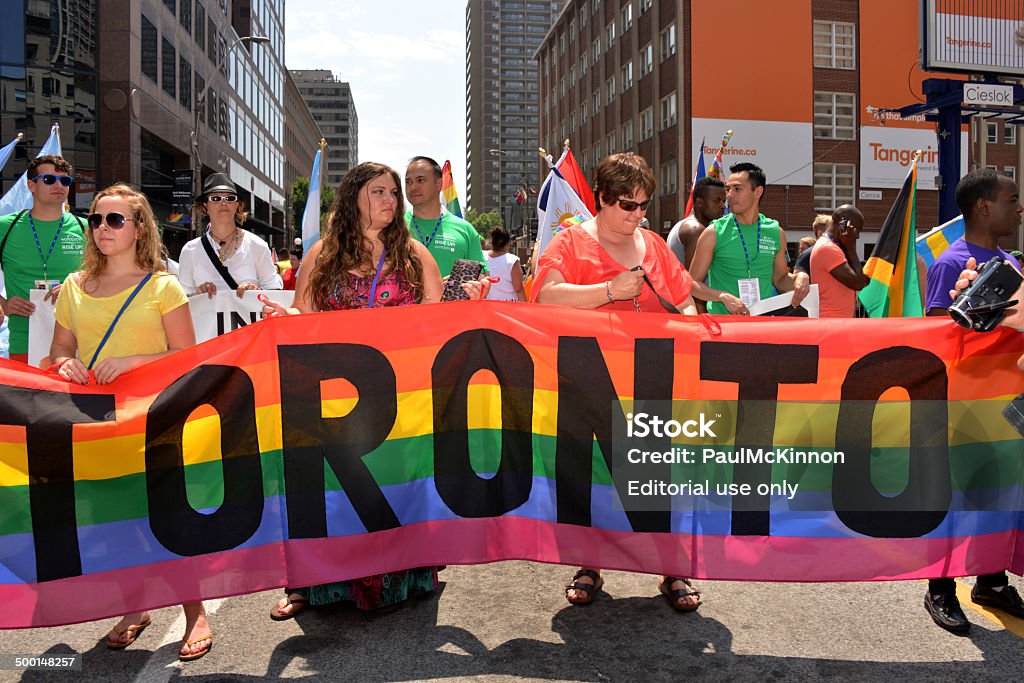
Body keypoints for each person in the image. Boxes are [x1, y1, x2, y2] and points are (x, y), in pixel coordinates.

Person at [261, 161, 443, 619]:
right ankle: (315, 584)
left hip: (396, 398)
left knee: (392, 486)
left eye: (394, 193)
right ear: (353, 198)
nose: (390, 200)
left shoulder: (414, 254)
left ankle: (404, 575)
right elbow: (302, 311)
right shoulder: (323, 253)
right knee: (332, 491)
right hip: (334, 396)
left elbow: (438, 317)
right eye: (379, 191)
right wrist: (288, 321)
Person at [48, 183, 213, 661]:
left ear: (139, 228)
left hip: (154, 413)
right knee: (114, 516)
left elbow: (187, 357)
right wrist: (63, 364)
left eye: (114, 220)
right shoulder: (75, 287)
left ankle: (194, 611)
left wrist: (135, 361)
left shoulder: (163, 286)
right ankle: (134, 607)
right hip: (96, 418)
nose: (102, 228)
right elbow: (59, 350)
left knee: (168, 514)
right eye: (96, 219)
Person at [531, 152, 701, 612]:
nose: (637, 214)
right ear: (602, 200)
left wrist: (687, 324)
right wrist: (609, 291)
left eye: (644, 205)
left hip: (652, 381)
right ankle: (589, 564)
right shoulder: (569, 243)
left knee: (660, 477)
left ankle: (671, 568)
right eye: (627, 204)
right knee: (592, 477)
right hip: (590, 382)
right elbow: (545, 297)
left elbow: (684, 299)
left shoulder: (654, 244)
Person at [920, 169, 1024, 634]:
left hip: (1001, 405)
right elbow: (937, 337)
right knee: (954, 498)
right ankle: (940, 589)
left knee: (996, 494)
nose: (1019, 207)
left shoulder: (1010, 263)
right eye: (1011, 199)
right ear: (983, 206)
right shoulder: (950, 262)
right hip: (961, 404)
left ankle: (990, 581)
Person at [688, 162, 810, 315]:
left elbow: (780, 280)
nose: (729, 195)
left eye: (737, 189)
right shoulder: (713, 232)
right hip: (724, 325)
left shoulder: (775, 232)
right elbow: (691, 283)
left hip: (761, 324)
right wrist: (721, 296)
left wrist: (800, 278)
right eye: (728, 189)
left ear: (757, 192)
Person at [0, 154, 86, 362]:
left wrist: (79, 282)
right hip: (24, 341)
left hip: (78, 342)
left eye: (65, 181)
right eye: (49, 180)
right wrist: (2, 303)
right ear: (31, 185)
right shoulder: (5, 227)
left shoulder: (86, 228)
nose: (59, 185)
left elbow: (109, 274)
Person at [178, 173, 282, 298]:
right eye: (215, 198)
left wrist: (257, 291)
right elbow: (182, 300)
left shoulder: (257, 246)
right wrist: (197, 294)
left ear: (237, 204)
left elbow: (275, 292)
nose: (223, 203)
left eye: (230, 198)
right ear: (205, 205)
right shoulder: (190, 250)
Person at [404, 156, 487, 277]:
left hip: (453, 297)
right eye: (408, 182)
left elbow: (482, 276)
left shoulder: (465, 230)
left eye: (420, 180)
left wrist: (469, 286)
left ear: (438, 184)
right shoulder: (394, 227)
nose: (413, 187)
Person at [809, 205, 869, 318]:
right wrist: (851, 248)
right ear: (844, 223)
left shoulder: (834, 247)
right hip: (831, 322)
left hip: (837, 321)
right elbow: (858, 283)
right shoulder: (827, 248)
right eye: (856, 229)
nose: (857, 236)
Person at [666, 177, 727, 270]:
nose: (723, 206)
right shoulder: (695, 229)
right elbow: (693, 279)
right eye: (716, 201)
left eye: (723, 201)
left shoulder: (689, 225)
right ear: (699, 202)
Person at [485, 227, 526, 301]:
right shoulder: (512, 260)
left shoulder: (482, 257)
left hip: (488, 305)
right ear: (508, 243)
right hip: (508, 306)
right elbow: (518, 288)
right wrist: (526, 308)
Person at [793, 213, 832, 281]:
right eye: (831, 230)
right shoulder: (808, 254)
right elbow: (797, 278)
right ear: (820, 234)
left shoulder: (833, 251)